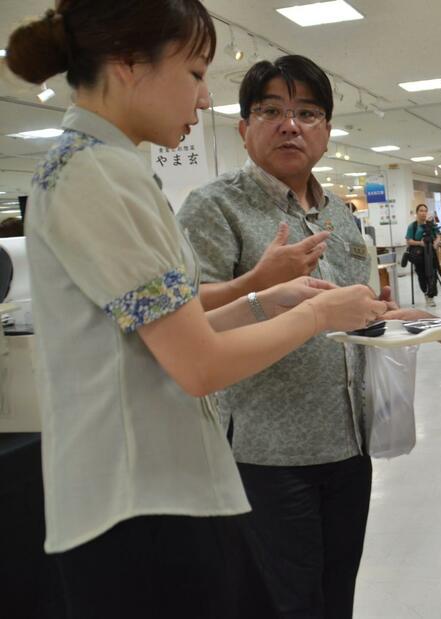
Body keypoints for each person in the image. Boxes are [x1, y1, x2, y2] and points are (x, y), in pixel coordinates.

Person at [6, 4, 387, 618]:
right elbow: (197, 365)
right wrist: (315, 316)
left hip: (161, 488)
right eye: (194, 72)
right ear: (131, 64)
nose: (205, 97)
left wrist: (266, 298)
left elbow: (166, 330)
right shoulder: (98, 175)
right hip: (143, 496)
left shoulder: (103, 168)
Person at [178, 55, 386, 619]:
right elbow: (184, 313)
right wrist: (256, 283)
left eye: (307, 112)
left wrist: (389, 314)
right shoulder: (214, 207)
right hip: (266, 451)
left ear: (326, 131)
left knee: (336, 592)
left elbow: (350, 307)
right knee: (283, 602)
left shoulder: (338, 213)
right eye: (270, 110)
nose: (289, 124)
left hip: (348, 441)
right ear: (244, 128)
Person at [405, 203, 441, 307]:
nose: (423, 213)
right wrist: (419, 243)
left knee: (433, 275)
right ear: (417, 213)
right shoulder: (412, 226)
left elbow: (438, 235)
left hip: (431, 254)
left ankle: (431, 297)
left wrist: (435, 243)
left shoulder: (431, 224)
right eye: (421, 211)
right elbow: (409, 241)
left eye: (425, 211)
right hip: (418, 256)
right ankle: (426, 292)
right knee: (422, 275)